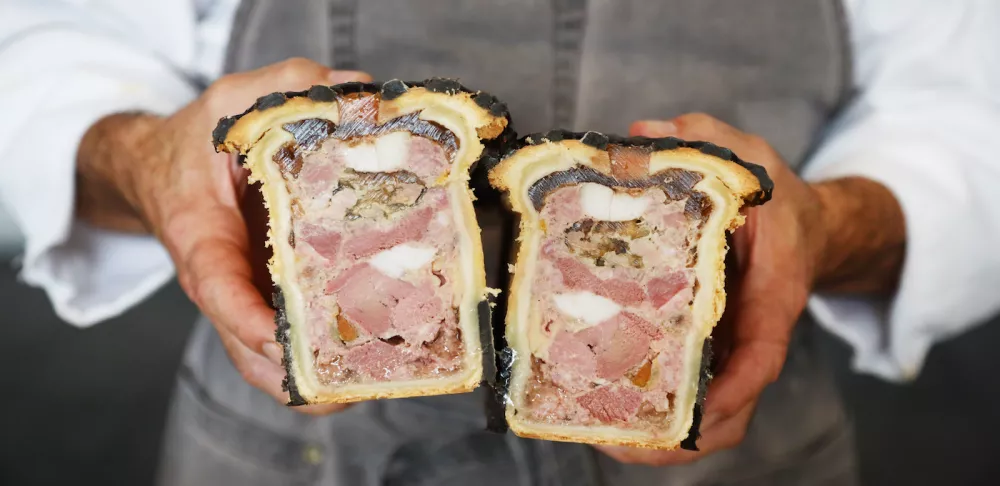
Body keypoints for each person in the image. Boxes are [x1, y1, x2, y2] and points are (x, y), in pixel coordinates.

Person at [2, 0, 999, 484]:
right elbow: (41, 49)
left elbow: (972, 113)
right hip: (291, 456)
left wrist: (833, 221)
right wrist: (142, 157)